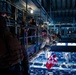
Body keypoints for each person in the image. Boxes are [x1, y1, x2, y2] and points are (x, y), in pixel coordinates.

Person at [0, 10, 30, 75]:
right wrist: (26, 70)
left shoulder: (2, 39)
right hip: (18, 68)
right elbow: (24, 54)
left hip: (5, 70)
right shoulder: (14, 36)